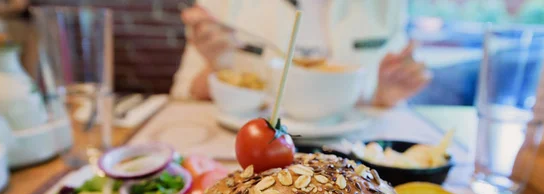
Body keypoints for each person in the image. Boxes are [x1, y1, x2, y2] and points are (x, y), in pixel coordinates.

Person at [171, 0, 431, 108]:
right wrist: (219, 66)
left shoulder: (385, 5)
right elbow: (184, 94)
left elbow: (386, 93)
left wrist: (386, 96)